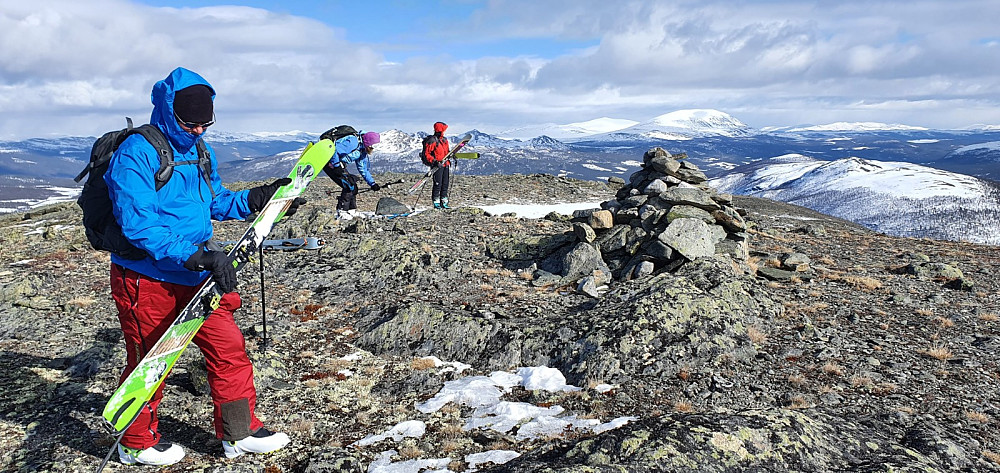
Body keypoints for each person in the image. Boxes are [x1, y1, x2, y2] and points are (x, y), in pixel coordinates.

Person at [105, 67, 295, 466]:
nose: (197, 132)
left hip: (198, 275)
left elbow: (215, 202)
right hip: (146, 277)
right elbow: (139, 225)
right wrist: (195, 255)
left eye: (205, 125)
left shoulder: (200, 151)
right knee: (150, 362)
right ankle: (135, 442)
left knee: (229, 350)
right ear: (168, 110)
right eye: (189, 124)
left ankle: (239, 433)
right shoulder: (136, 152)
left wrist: (257, 198)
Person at [321, 130, 382, 219]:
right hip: (330, 164)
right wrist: (336, 165)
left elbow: (363, 170)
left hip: (338, 165)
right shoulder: (353, 142)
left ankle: (351, 210)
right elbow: (333, 149)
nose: (373, 148)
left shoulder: (362, 151)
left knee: (353, 186)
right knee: (348, 185)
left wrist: (372, 183)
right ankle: (341, 211)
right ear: (369, 143)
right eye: (372, 145)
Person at [422, 121, 451, 209]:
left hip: (445, 164)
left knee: (445, 183)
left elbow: (446, 152)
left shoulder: (444, 140)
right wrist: (434, 161)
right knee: (438, 184)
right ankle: (436, 201)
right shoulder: (432, 140)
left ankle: (444, 201)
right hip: (437, 165)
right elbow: (427, 153)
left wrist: (450, 155)